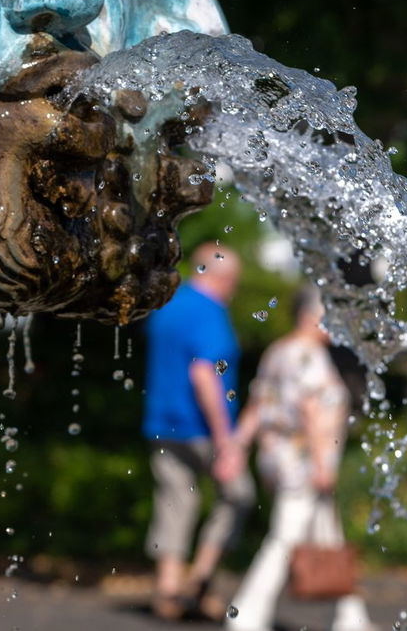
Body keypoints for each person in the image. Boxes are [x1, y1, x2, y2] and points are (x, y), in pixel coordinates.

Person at [219, 287, 375, 631]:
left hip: (279, 457)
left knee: (328, 537)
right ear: (310, 316)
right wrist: (322, 464)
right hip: (303, 461)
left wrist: (237, 447)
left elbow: (258, 404)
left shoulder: (278, 351)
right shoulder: (308, 355)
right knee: (284, 538)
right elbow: (311, 411)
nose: (335, 326)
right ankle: (244, 615)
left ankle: (350, 619)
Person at [143, 242, 255, 621]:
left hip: (163, 423)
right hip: (203, 428)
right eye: (234, 282)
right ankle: (201, 580)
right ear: (223, 278)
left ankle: (168, 588)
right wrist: (226, 441)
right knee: (238, 495)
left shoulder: (167, 307)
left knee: (175, 501)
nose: (234, 290)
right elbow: (205, 375)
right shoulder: (211, 314)